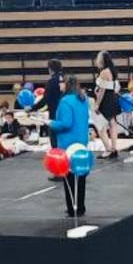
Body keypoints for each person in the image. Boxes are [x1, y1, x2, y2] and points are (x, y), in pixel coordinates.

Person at [51, 75, 92, 217]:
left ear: (67, 85)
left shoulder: (65, 101)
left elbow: (66, 123)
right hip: (82, 142)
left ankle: (71, 208)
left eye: (61, 83)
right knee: (81, 176)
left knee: (68, 177)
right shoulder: (83, 99)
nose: (59, 85)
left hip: (68, 143)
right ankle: (81, 206)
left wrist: (50, 123)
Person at [92, 51, 120, 159]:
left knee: (101, 126)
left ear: (102, 60)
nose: (97, 60)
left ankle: (108, 149)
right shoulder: (112, 70)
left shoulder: (104, 72)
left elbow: (102, 90)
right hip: (112, 97)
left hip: (106, 100)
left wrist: (97, 104)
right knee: (112, 124)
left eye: (98, 58)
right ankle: (113, 148)